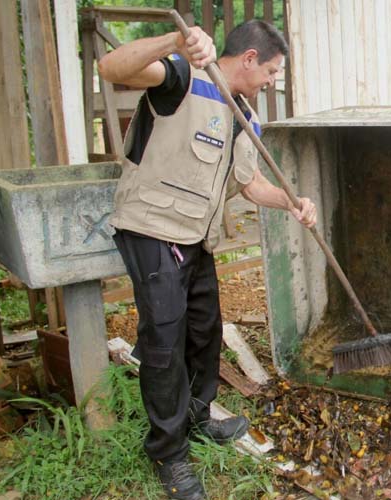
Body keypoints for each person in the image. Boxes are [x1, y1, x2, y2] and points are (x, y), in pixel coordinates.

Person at [99, 20, 316, 500]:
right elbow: (111, 67)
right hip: (152, 229)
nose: (272, 82)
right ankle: (168, 454)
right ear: (249, 59)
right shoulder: (182, 78)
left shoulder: (245, 117)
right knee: (164, 341)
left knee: (204, 333)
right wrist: (173, 41)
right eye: (271, 72)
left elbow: (250, 185)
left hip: (197, 239)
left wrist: (293, 202)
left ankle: (196, 417)